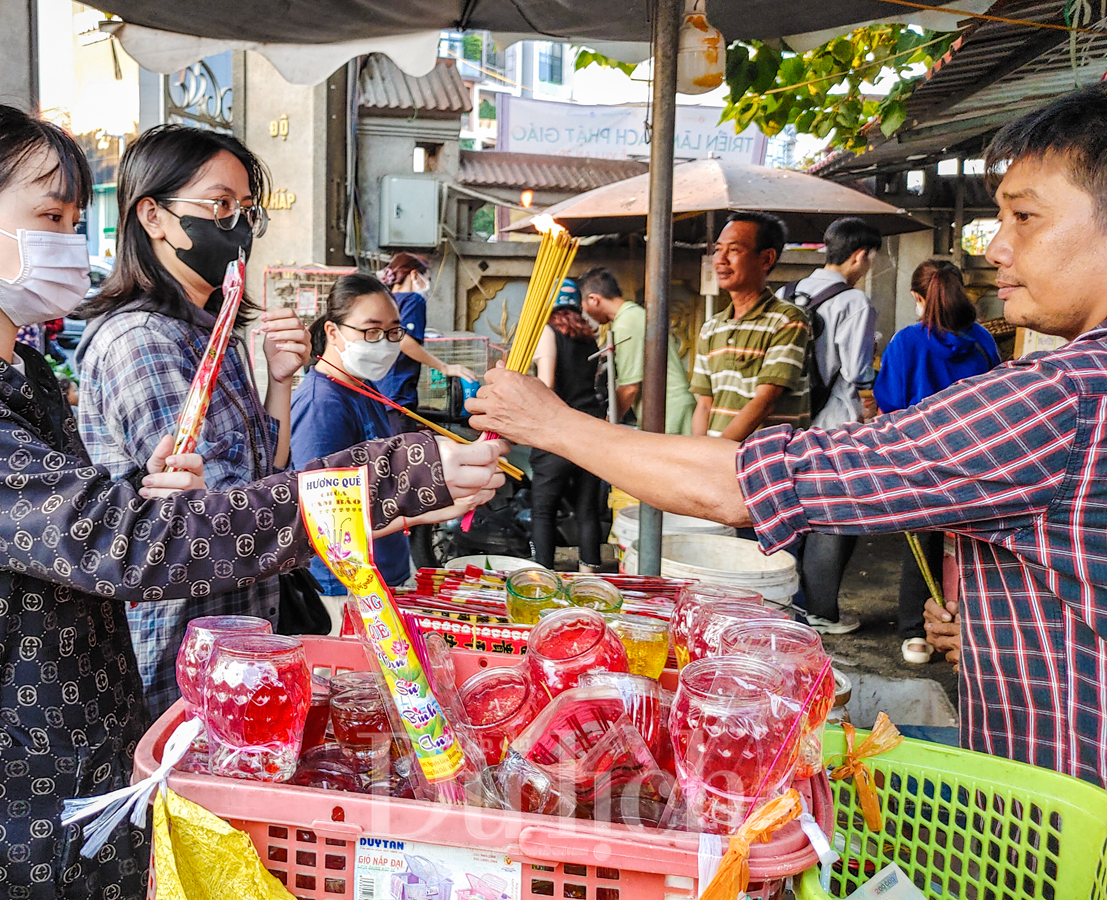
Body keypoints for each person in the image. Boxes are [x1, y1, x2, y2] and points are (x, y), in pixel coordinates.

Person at [0, 102, 506, 896]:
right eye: (48, 217)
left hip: (83, 762)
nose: (71, 243)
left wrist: (133, 490)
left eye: (74, 219)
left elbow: (60, 530)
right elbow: (120, 544)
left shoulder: (18, 379)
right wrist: (384, 480)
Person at [468, 83, 1107, 789]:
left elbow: (746, 484)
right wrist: (998, 632)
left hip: (1068, 814)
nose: (997, 249)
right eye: (998, 217)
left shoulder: (1062, 396)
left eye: (1024, 217)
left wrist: (550, 423)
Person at [75, 124, 315, 718]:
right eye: (220, 204)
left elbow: (267, 466)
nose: (236, 225)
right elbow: (215, 516)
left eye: (245, 210)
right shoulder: (143, 341)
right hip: (178, 650)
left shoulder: (211, 333)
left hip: (238, 632)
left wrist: (279, 381)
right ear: (152, 216)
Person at [291, 273, 480, 628]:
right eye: (372, 331)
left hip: (386, 569)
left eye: (395, 332)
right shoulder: (321, 404)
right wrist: (427, 511)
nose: (386, 343)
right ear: (333, 332)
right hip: (344, 586)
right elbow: (324, 524)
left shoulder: (367, 389)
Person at [875, 258, 1000, 664]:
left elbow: (890, 404)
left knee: (921, 545)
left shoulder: (906, 342)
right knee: (971, 547)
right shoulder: (983, 340)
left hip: (920, 462)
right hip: (977, 461)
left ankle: (918, 634)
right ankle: (971, 629)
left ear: (917, 297)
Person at [776, 216, 882, 634]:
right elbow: (857, 370)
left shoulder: (790, 291)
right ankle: (820, 612)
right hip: (836, 421)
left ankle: (788, 602)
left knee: (793, 509)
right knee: (832, 514)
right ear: (860, 256)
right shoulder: (854, 302)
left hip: (791, 418)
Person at [691, 211, 811, 440]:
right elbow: (704, 405)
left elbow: (765, 401)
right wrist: (699, 452)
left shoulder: (787, 320)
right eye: (718, 249)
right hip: (718, 462)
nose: (720, 259)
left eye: (734, 250)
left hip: (767, 462)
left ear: (766, 259)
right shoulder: (711, 328)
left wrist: (717, 453)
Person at [529, 278, 607, 570]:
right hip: (589, 430)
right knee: (587, 511)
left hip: (556, 431)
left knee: (543, 511)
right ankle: (590, 577)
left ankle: (543, 579)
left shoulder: (547, 332)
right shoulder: (589, 336)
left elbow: (547, 383)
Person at [580, 266, 697, 434]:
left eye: (584, 307)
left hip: (669, 410)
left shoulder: (627, 322)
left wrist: (607, 424)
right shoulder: (634, 315)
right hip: (668, 406)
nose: (586, 314)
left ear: (593, 300)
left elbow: (629, 388)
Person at [372, 251, 477, 433]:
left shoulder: (382, 301)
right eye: (426, 278)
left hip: (375, 394)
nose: (428, 285)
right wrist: (444, 367)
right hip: (397, 395)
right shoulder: (413, 300)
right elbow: (404, 341)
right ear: (414, 275)